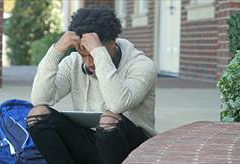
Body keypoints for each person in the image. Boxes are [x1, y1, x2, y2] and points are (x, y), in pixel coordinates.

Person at [27, 6, 157, 164]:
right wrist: (57, 50)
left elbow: (117, 104)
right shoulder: (73, 63)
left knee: (110, 120)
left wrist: (99, 53)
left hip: (134, 148)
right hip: (92, 142)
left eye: (92, 55)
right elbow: (40, 99)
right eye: (83, 55)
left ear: (112, 44)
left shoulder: (142, 66)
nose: (88, 63)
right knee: (38, 114)